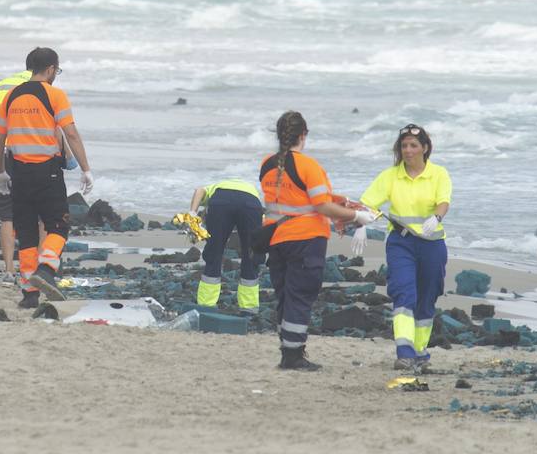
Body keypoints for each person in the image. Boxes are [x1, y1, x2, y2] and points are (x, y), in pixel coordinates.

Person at [253, 111, 365, 371]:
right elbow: (321, 207)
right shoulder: (309, 166)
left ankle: (287, 349)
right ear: (303, 135)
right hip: (305, 239)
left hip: (276, 238)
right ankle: (293, 356)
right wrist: (356, 215)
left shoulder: (267, 164)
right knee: (300, 296)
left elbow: (292, 200)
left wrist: (340, 201)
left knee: (285, 296)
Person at [0, 47, 93, 308]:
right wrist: (85, 169)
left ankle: (29, 295)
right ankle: (46, 269)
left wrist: (0, 172)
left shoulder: (11, 96)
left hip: (18, 172)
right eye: (56, 70)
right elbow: (70, 134)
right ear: (49, 69)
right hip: (47, 172)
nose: (55, 74)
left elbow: (0, 138)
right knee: (58, 226)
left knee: (25, 234)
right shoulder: (54, 94)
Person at [359, 124, 452, 372]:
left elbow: (443, 202)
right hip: (401, 243)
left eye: (413, 145)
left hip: (433, 244)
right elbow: (368, 204)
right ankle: (404, 352)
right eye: (404, 146)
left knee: (427, 297)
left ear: (425, 147)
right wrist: (361, 222)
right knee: (403, 293)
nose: (408, 150)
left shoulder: (439, 173)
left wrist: (437, 218)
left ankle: (420, 352)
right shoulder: (390, 176)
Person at [184, 178, 265, 310]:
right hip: (251, 203)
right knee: (251, 255)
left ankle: (206, 305)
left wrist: (192, 213)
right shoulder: (250, 189)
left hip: (221, 202)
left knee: (214, 253)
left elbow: (199, 190)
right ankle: (249, 308)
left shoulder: (215, 188)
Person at [0, 67, 32, 277]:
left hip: (0, 149)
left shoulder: (3, 83)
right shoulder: (42, 85)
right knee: (37, 212)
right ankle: (36, 269)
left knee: (7, 215)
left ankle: (9, 270)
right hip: (28, 151)